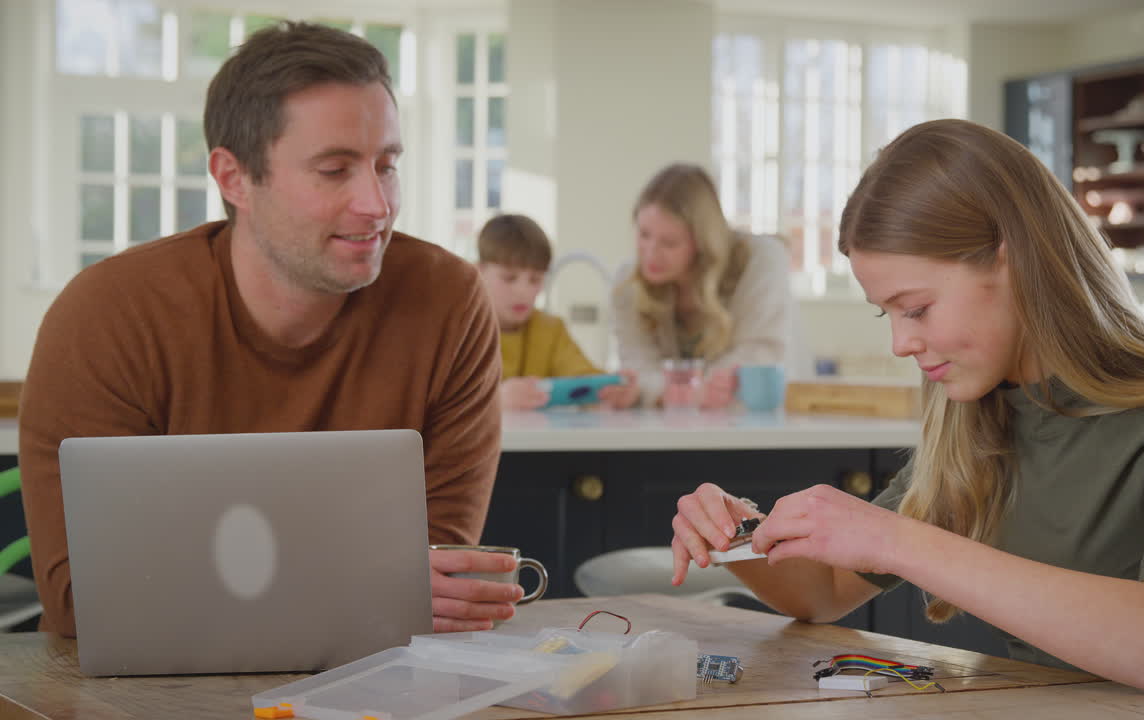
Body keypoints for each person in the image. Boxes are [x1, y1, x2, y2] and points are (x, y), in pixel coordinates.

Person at [670, 119, 1144, 711]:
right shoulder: (977, 420)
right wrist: (740, 537)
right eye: (888, 314)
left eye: (917, 307)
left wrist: (897, 540)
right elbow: (826, 592)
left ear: (1008, 260)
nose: (900, 343)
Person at [20, 22, 519, 637]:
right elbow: (83, 600)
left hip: (368, 680)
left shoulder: (449, 302)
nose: (377, 204)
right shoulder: (107, 315)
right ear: (234, 178)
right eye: (335, 170)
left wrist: (251, 587)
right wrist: (367, 582)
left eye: (387, 165)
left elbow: (435, 580)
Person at [611, 164, 794, 409]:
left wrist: (675, 392)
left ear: (701, 242)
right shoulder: (628, 282)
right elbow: (636, 365)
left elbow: (758, 353)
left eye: (669, 242)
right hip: (673, 426)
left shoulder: (762, 259)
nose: (651, 254)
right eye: (644, 235)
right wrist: (691, 394)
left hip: (759, 419)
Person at [475, 213, 639, 411]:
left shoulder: (551, 330)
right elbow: (439, 404)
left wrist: (614, 390)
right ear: (478, 272)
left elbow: (585, 378)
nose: (523, 291)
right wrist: (494, 401)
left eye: (535, 280)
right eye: (509, 278)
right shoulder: (459, 332)